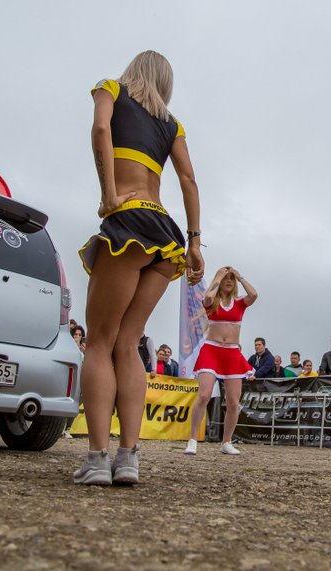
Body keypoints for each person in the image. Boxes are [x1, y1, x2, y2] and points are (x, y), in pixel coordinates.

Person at [74, 50, 204, 487]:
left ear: (133, 70)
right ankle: (128, 458)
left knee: (99, 342)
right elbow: (188, 179)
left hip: (128, 219)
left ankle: (97, 459)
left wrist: (109, 194)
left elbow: (100, 130)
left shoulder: (110, 88)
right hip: (164, 232)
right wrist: (195, 242)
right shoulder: (172, 124)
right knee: (128, 344)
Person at [185, 266, 258, 456]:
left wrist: (239, 276)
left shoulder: (239, 303)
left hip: (232, 353)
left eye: (231, 279)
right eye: (227, 278)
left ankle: (226, 442)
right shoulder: (211, 302)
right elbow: (208, 296)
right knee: (204, 395)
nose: (229, 281)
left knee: (233, 402)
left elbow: (254, 295)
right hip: (211, 350)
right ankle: (192, 440)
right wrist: (218, 276)